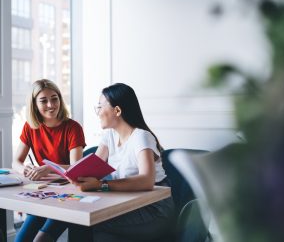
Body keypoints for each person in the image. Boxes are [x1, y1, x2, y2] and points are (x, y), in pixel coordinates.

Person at [73, 83, 175, 242]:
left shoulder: (141, 136)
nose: (98, 113)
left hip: (154, 209)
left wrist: (101, 185)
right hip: (126, 202)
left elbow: (147, 180)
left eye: (100, 107)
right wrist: (69, 173)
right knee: (78, 219)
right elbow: (91, 169)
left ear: (117, 110)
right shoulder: (109, 136)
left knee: (92, 224)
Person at [12, 79, 86, 242]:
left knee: (41, 240)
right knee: (20, 240)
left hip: (69, 195)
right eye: (43, 101)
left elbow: (76, 168)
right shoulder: (30, 127)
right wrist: (24, 169)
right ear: (34, 104)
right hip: (45, 193)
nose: (51, 105)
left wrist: (49, 168)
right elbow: (16, 162)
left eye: (54, 98)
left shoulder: (73, 128)